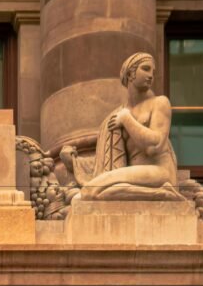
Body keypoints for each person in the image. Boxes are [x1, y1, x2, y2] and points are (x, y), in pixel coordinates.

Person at [71, 52, 181, 201]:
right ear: (130, 74)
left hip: (160, 172)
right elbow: (103, 156)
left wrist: (127, 119)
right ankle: (162, 194)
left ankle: (164, 190)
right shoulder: (117, 114)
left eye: (153, 72)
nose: (151, 75)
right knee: (102, 193)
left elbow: (155, 146)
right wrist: (73, 161)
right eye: (146, 69)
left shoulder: (160, 103)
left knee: (90, 192)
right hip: (135, 175)